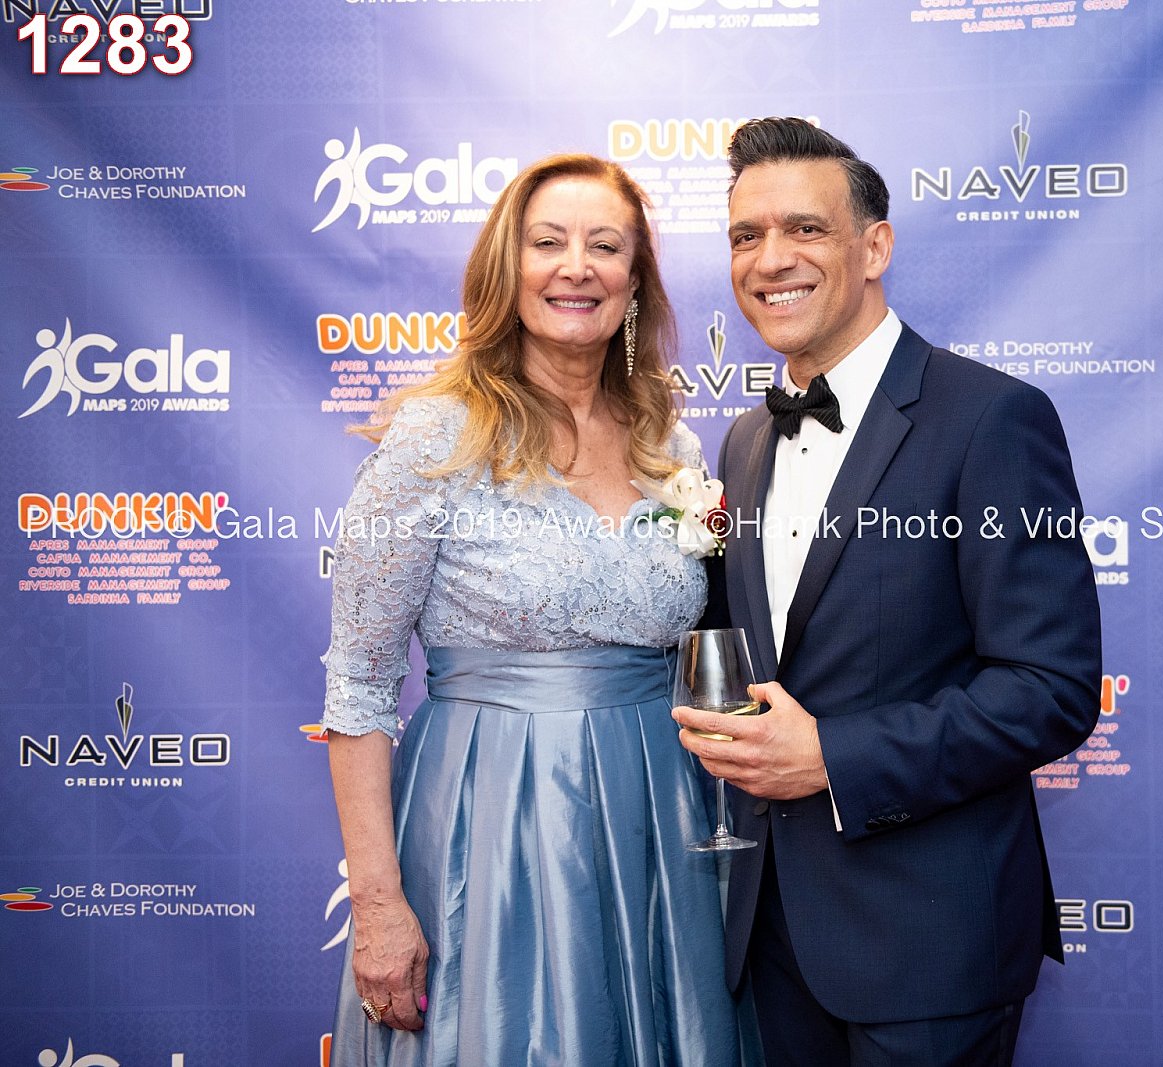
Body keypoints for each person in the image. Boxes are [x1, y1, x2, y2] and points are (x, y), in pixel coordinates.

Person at [674, 118, 1103, 1066]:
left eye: (806, 228)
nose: (770, 259)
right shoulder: (743, 441)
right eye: (746, 235)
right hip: (768, 940)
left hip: (930, 948)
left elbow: (1052, 688)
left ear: (875, 248)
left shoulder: (993, 419)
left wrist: (833, 756)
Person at [322, 153, 740, 1066]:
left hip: (661, 818)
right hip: (492, 819)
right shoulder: (434, 438)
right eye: (547, 243)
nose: (576, 266)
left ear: (635, 280)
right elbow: (358, 684)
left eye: (606, 246)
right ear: (504, 269)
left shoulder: (668, 442)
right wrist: (379, 903)